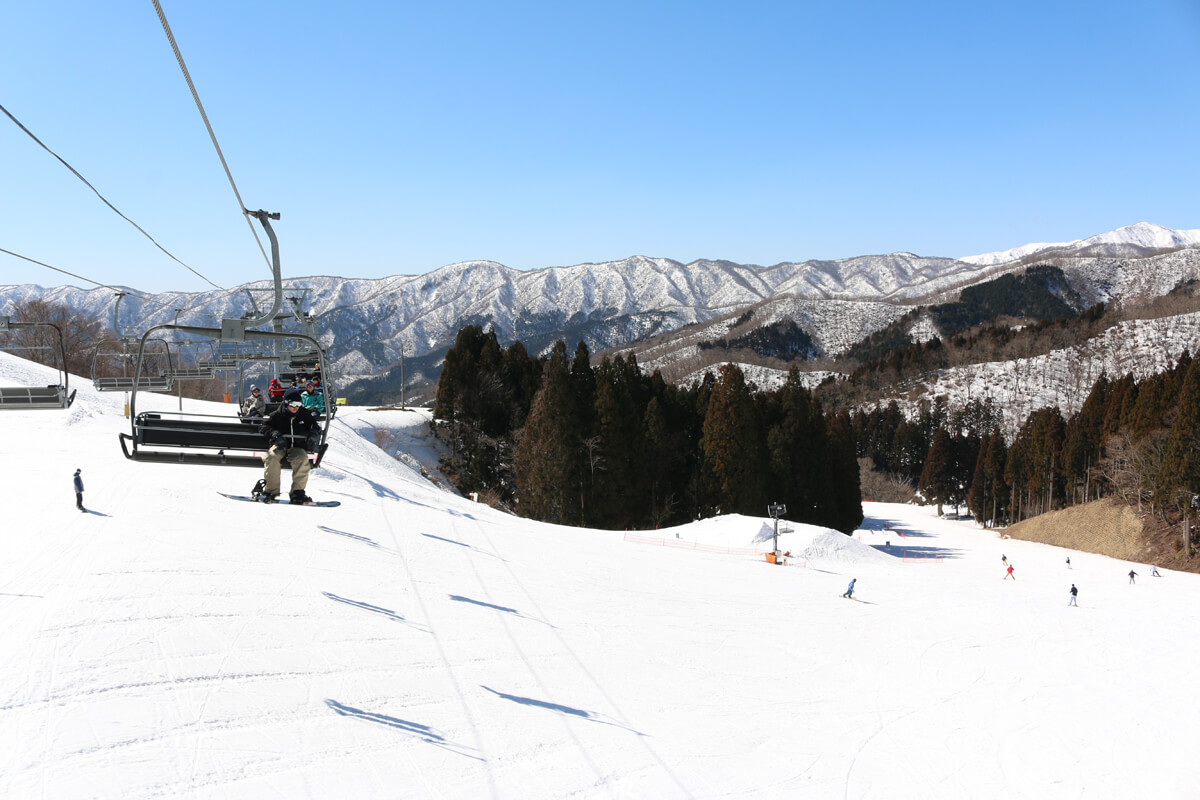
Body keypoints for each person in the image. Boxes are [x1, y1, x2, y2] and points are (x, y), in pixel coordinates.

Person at [258, 399, 321, 504]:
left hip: (297, 446)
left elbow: (315, 426)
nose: (296, 407)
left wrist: (313, 432)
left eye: (298, 404)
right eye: (293, 404)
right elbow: (263, 426)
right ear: (286, 404)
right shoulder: (277, 415)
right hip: (280, 446)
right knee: (271, 457)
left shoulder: (304, 414)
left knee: (302, 458)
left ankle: (297, 492)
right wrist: (275, 434)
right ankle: (271, 491)